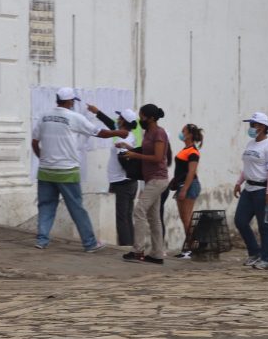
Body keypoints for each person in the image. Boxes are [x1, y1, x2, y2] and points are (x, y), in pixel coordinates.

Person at [31, 87, 126, 252]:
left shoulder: (44, 117)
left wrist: (43, 159)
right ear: (70, 101)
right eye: (73, 101)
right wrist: (119, 132)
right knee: (76, 208)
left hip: (46, 171)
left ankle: (42, 240)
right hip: (67, 171)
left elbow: (34, 142)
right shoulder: (74, 117)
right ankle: (89, 243)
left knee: (46, 206)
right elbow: (100, 133)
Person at [122, 104, 171, 264]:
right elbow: (146, 151)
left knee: (139, 210)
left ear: (150, 118)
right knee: (153, 216)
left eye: (142, 116)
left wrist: (135, 155)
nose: (140, 119)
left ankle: (138, 251)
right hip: (151, 179)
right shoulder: (149, 132)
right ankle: (157, 254)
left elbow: (157, 157)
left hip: (158, 179)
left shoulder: (159, 132)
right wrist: (129, 149)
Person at [234, 112, 268, 271]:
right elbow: (247, 166)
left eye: (254, 124)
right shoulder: (250, 144)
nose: (252, 127)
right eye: (251, 124)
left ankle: (266, 259)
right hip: (249, 189)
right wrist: (239, 182)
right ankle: (254, 252)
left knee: (264, 226)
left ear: (263, 127)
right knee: (240, 220)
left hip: (262, 190)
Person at [88, 104, 140, 246]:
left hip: (121, 183)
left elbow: (124, 160)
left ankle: (125, 247)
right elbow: (111, 125)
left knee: (122, 218)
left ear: (123, 121)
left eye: (119, 117)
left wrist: (127, 172)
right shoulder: (129, 135)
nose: (117, 119)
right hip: (130, 183)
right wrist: (97, 112)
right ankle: (131, 245)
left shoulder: (122, 141)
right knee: (127, 217)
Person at [171, 123, 204, 259]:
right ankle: (189, 248)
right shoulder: (185, 149)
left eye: (183, 130)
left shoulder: (193, 152)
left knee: (187, 219)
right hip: (182, 185)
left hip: (189, 186)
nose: (181, 132)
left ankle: (192, 248)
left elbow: (191, 172)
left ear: (189, 134)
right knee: (185, 218)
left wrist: (184, 189)